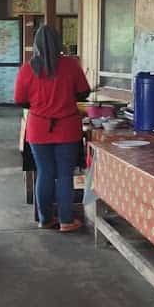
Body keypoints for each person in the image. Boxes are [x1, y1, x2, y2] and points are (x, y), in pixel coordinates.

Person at [14, 25, 90, 233]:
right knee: (65, 175)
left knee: (44, 173)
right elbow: (84, 93)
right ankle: (66, 221)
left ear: (36, 45)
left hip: (38, 129)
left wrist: (41, 105)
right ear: (59, 43)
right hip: (67, 127)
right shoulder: (71, 65)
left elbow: (20, 100)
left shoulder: (27, 69)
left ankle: (44, 219)